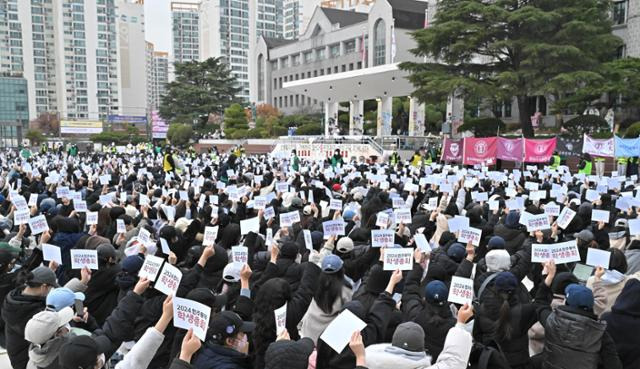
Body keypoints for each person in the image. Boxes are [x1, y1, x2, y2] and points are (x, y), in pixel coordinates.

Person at [357, 303, 474, 369]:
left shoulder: (368, 362)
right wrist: (460, 323)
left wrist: (361, 358)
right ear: (422, 348)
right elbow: (453, 362)